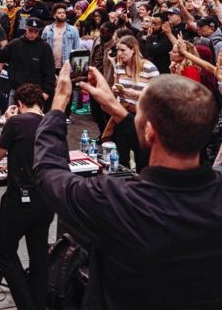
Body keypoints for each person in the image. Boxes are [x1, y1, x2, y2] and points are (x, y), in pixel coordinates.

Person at [35, 63, 222, 309]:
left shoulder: (116, 201)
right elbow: (162, 148)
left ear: (150, 131)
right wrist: (114, 107)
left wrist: (58, 105)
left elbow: (49, 172)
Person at [0, 84, 54, 310]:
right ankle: (40, 303)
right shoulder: (53, 122)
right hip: (47, 199)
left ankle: (27, 305)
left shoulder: (16, 122)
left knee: (4, 251)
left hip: (21, 200)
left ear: (19, 104)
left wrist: (7, 122)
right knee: (39, 256)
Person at [0, 17, 56, 110]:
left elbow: (49, 71)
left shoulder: (45, 48)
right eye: (30, 31)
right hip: (17, 90)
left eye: (36, 32)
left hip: (36, 93)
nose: (32, 34)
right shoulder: (15, 44)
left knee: (35, 120)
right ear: (26, 29)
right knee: (12, 119)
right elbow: (1, 53)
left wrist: (46, 91)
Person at [41, 3, 82, 73]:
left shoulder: (73, 30)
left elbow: (77, 49)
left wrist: (77, 69)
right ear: (54, 16)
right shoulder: (47, 29)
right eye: (59, 13)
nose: (62, 14)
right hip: (50, 66)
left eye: (64, 13)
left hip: (67, 67)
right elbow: (42, 49)